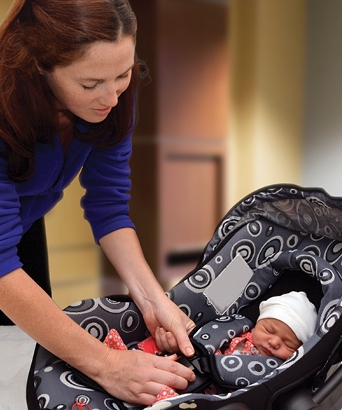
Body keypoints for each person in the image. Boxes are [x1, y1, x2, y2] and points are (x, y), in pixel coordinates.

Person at [0, 0, 197, 406]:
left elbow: (109, 207)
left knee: (20, 346)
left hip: (18, 223)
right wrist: (106, 365)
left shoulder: (112, 97)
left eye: (123, 74)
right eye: (90, 84)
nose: (110, 97)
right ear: (39, 66)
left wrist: (153, 298)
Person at [216, 291, 318, 360]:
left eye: (288, 345)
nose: (274, 343)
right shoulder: (236, 331)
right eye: (269, 331)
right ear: (257, 324)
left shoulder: (281, 370)